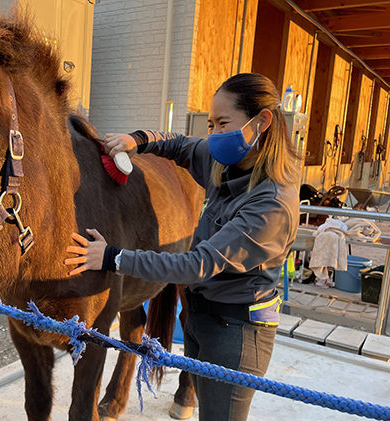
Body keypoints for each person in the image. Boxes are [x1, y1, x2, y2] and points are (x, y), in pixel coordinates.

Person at [64, 73, 300, 421]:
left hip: (236, 332)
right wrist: (137, 140)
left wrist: (112, 257)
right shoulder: (228, 163)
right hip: (200, 317)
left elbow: (195, 264)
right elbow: (179, 144)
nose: (213, 134)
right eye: (210, 123)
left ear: (261, 122)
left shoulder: (271, 205)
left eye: (223, 123)